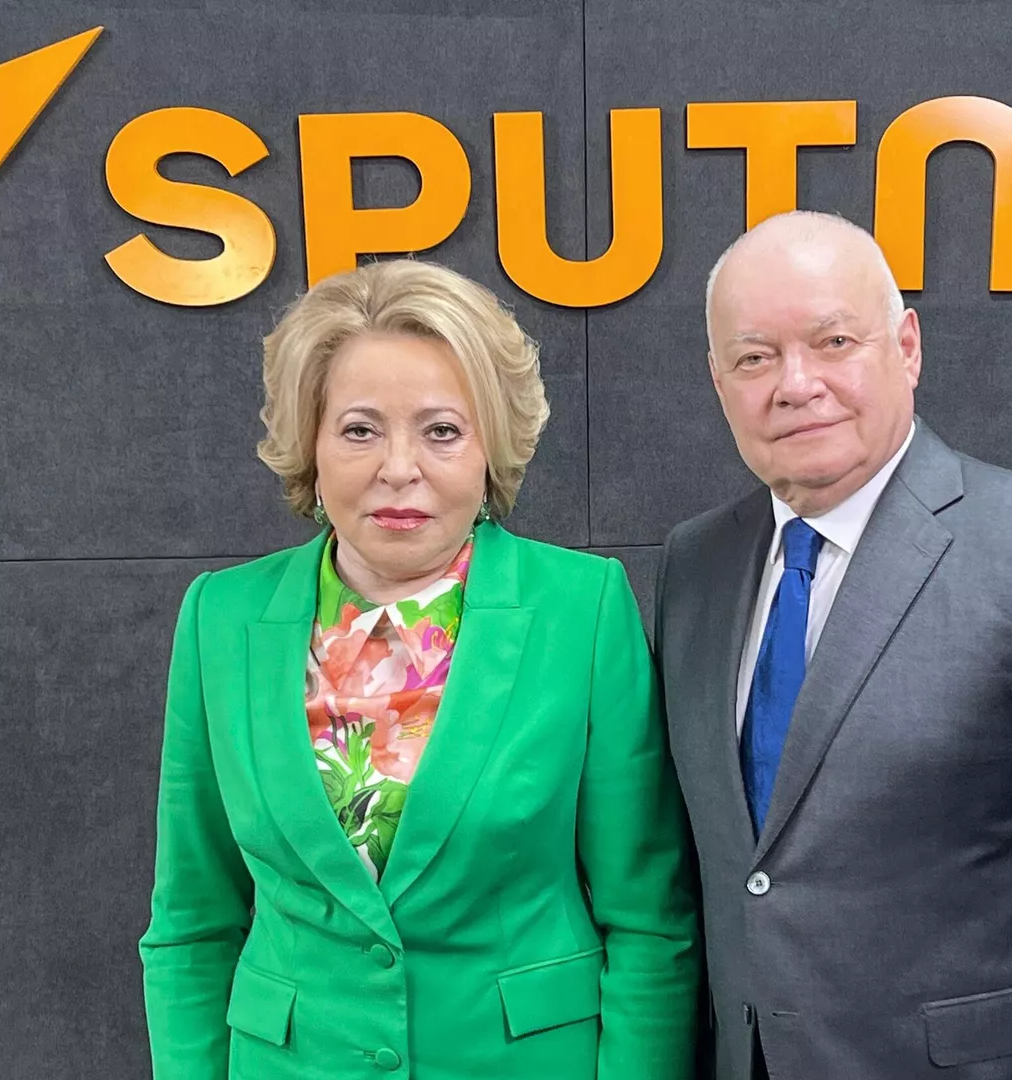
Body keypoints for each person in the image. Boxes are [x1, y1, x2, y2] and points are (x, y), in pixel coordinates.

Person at [656, 211, 1012, 1080]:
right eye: (755, 357)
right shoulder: (696, 565)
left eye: (833, 341)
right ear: (718, 380)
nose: (795, 384)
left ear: (908, 347)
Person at [140, 259, 698, 1080]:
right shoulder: (220, 617)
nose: (399, 468)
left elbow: (648, 919)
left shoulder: (583, 608)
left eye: (441, 431)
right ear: (311, 445)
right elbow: (192, 922)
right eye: (359, 430)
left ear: (490, 447)